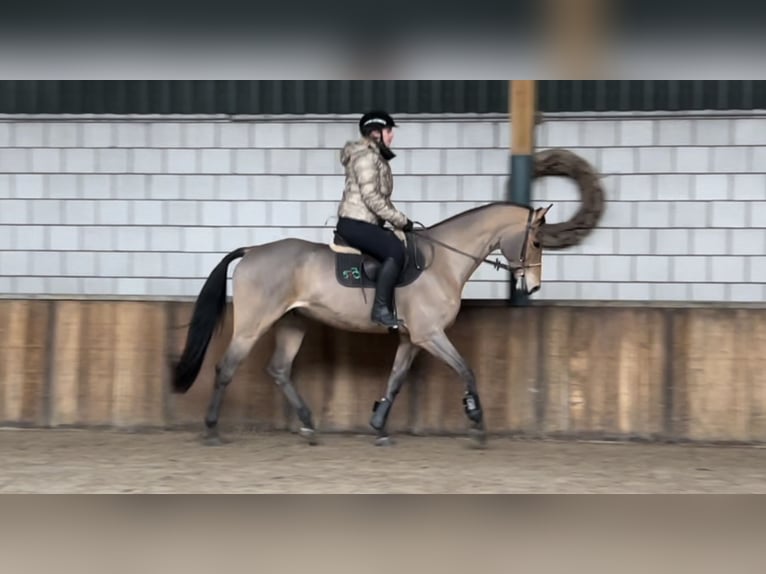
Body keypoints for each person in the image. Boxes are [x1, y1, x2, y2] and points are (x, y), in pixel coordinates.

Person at [335, 110, 414, 330]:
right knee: (396, 250)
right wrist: (401, 220)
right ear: (376, 133)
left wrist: (399, 221)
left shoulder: (374, 155)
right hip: (355, 223)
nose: (392, 136)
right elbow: (371, 198)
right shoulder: (367, 156)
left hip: (365, 221)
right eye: (389, 131)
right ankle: (380, 310)